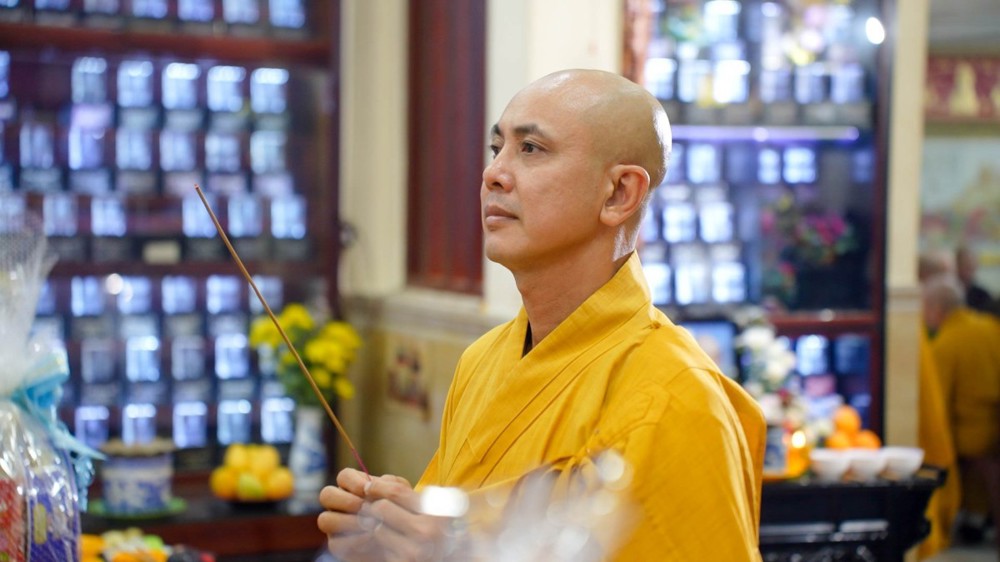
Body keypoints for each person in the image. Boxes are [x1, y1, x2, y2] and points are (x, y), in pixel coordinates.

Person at [317, 69, 766, 561]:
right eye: (497, 149)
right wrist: (392, 535)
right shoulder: (482, 361)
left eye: (530, 149)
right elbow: (450, 527)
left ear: (619, 193)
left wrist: (453, 550)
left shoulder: (674, 396)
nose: (493, 173)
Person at [922, 274, 1000, 548]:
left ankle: (951, 522)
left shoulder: (947, 342)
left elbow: (937, 401)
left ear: (936, 309)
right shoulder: (990, 326)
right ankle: (975, 518)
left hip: (971, 432)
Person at [956, 245, 999, 316]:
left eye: (970, 265)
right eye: (963, 264)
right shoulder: (947, 293)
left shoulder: (983, 296)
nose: (967, 269)